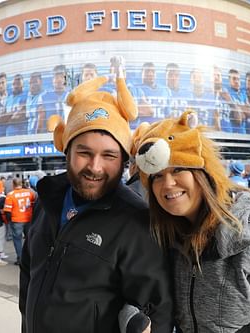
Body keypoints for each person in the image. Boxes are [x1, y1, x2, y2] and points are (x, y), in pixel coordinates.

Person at [132, 110, 250, 331]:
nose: (167, 184)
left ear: (204, 172)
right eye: (156, 176)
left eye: (178, 169)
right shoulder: (167, 235)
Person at [20, 74, 173, 332]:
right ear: (66, 151)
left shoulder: (136, 222)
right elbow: (28, 274)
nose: (95, 167)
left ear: (124, 160)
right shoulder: (46, 201)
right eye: (84, 153)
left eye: (109, 155)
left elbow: (157, 313)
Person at [4, 178, 35, 265]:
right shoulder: (29, 192)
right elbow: (34, 204)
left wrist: (9, 221)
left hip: (17, 220)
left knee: (18, 239)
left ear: (13, 185)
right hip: (28, 218)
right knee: (29, 239)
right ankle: (30, 256)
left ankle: (20, 258)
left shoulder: (10, 195)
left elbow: (7, 211)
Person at [37, 64, 70, 129]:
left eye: (62, 77)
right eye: (56, 77)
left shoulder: (72, 96)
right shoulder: (43, 97)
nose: (59, 80)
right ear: (52, 79)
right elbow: (40, 121)